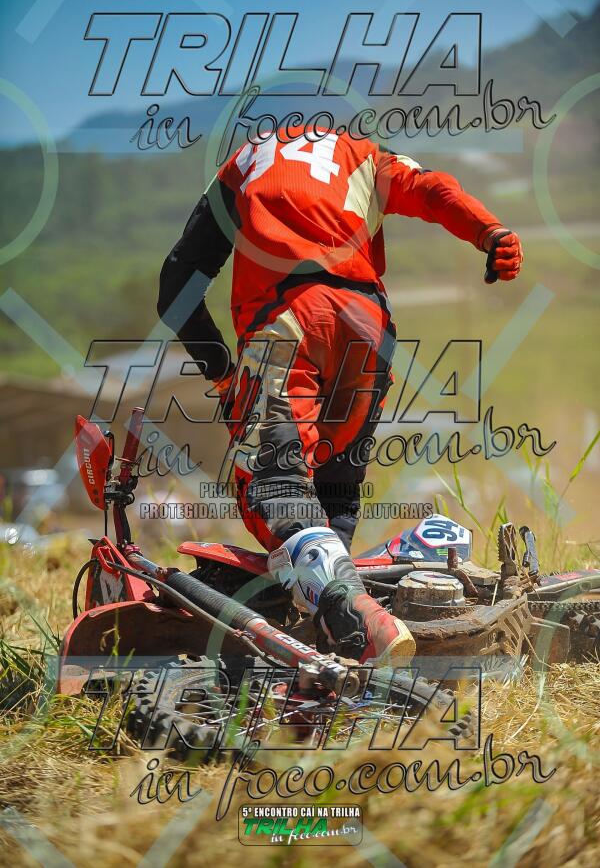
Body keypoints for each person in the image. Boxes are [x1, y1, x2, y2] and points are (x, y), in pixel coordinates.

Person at [157, 127, 523, 667]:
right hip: (368, 330)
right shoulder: (365, 155)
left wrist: (224, 377)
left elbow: (177, 285)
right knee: (335, 493)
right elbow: (435, 189)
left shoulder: (247, 160)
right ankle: (341, 633)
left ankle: (350, 613)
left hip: (287, 320)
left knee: (272, 483)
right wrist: (489, 232)